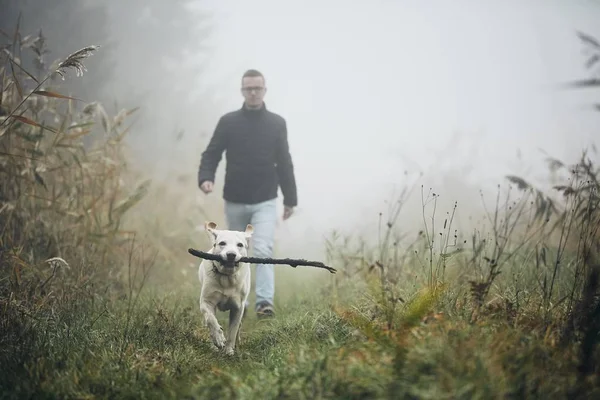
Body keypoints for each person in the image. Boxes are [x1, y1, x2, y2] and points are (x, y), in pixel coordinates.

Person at [197, 69, 298, 318]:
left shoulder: (277, 123)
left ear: (264, 90)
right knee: (232, 252)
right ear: (243, 91)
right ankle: (230, 297)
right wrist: (206, 177)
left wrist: (290, 199)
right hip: (234, 199)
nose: (253, 92)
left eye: (258, 88)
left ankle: (264, 303)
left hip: (265, 199)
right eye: (248, 89)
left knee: (262, 250)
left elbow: (284, 162)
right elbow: (211, 153)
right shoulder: (228, 122)